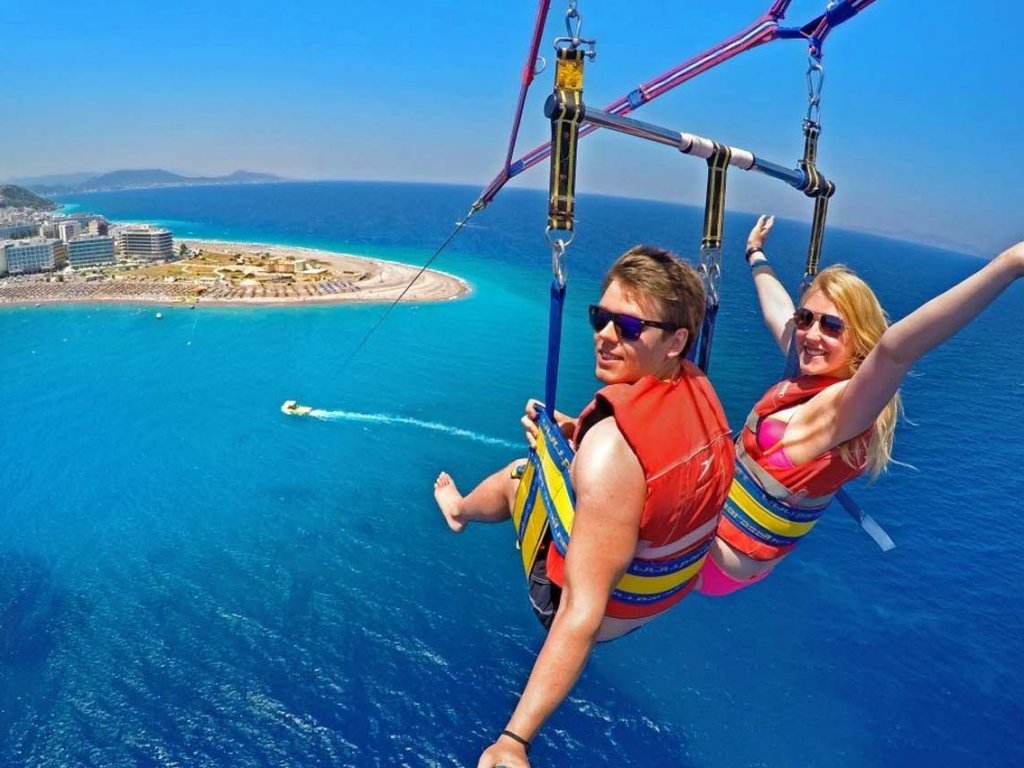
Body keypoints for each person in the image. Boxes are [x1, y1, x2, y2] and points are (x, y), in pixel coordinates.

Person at [432, 245, 735, 768]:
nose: (605, 335)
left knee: (520, 475)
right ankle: (537, 469)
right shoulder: (697, 386)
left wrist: (514, 740)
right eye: (601, 317)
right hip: (659, 583)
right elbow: (654, 476)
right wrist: (579, 439)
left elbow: (580, 612)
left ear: (676, 341)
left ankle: (459, 510)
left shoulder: (612, 451)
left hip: (600, 605)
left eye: (629, 326)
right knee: (556, 455)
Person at [698, 215, 1024, 597]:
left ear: (859, 340)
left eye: (832, 326)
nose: (812, 334)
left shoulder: (844, 409)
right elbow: (777, 307)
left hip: (720, 556)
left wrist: (1009, 265)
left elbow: (896, 351)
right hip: (718, 541)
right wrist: (755, 253)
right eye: (806, 319)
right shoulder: (806, 371)